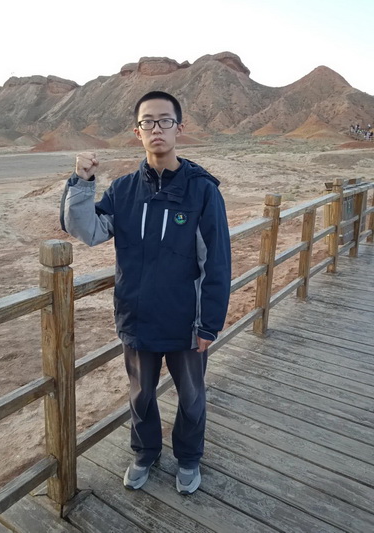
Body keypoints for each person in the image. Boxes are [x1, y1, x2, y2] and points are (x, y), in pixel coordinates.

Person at [60, 91, 231, 495]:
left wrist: (209, 323)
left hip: (186, 321)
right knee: (140, 396)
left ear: (179, 128)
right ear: (137, 132)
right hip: (137, 317)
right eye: (147, 122)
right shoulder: (123, 190)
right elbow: (88, 230)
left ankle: (188, 457)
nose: (157, 128)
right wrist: (82, 183)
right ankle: (145, 453)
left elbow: (217, 262)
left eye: (165, 120)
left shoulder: (202, 191)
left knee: (191, 397)